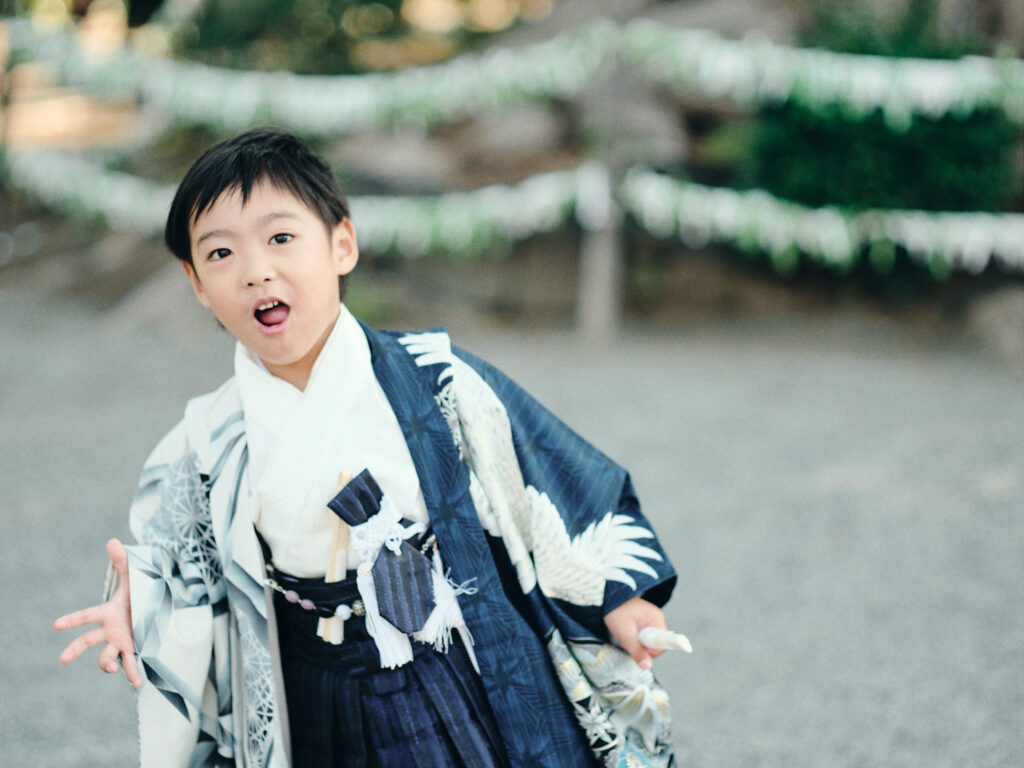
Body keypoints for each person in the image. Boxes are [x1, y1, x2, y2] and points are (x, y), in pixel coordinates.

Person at [53, 127, 678, 768]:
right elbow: (177, 567)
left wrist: (621, 597)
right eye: (220, 253)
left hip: (449, 661)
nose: (255, 271)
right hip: (309, 686)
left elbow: (550, 474)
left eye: (280, 238)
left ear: (342, 245)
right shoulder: (204, 440)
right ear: (195, 283)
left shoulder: (436, 378)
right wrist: (142, 605)